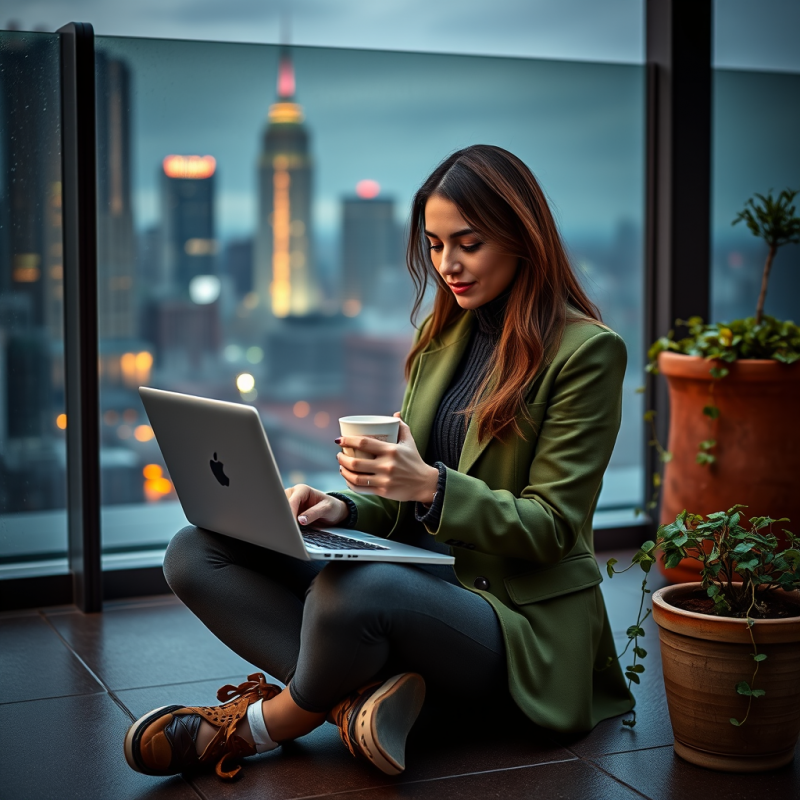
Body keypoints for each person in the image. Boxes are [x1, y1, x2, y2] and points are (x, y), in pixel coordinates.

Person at [124, 144, 633, 781]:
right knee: (196, 551)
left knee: (355, 593)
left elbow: (553, 529)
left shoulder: (586, 353)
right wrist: (342, 506)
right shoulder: (440, 341)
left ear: (521, 237)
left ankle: (260, 727)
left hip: (509, 615)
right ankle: (362, 706)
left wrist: (433, 488)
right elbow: (401, 505)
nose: (448, 264)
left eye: (468, 244)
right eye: (435, 244)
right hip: (418, 580)